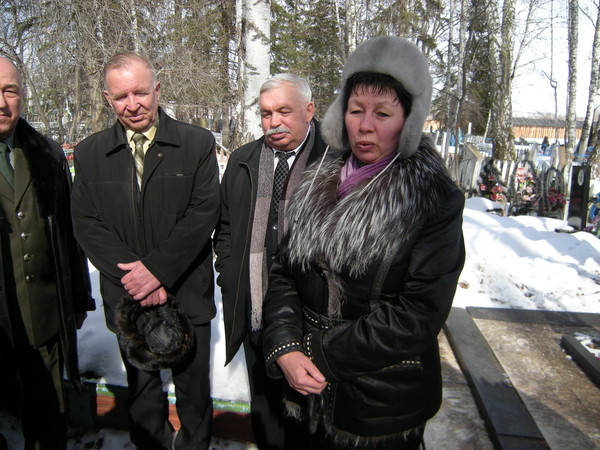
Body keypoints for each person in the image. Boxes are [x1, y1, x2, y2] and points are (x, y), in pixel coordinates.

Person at [262, 36, 466, 449]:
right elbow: (285, 269)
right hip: (306, 392)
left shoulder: (432, 199)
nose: (365, 125)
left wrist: (317, 351)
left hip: (379, 403)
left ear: (408, 120)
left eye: (383, 113)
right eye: (356, 110)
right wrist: (284, 346)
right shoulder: (317, 178)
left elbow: (418, 315)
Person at [71, 52, 220, 450]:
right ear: (107, 98)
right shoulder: (89, 154)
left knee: (193, 393)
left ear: (157, 89)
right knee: (142, 393)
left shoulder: (196, 143)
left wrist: (157, 270)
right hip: (127, 298)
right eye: (121, 96)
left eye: (140, 92)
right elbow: (86, 224)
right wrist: (135, 279)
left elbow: (203, 213)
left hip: (186, 291)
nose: (133, 104)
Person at [214, 74, 327, 449]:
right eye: (265, 113)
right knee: (265, 414)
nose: (273, 122)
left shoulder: (334, 160)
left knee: (310, 420)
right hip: (255, 309)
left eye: (283, 111)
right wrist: (230, 277)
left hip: (313, 318)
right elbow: (226, 227)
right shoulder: (245, 160)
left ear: (309, 111)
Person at [0, 57, 94, 449]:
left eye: (10, 90)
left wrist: (76, 298)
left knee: (48, 420)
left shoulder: (47, 154)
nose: (2, 102)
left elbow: (68, 234)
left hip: (43, 316)